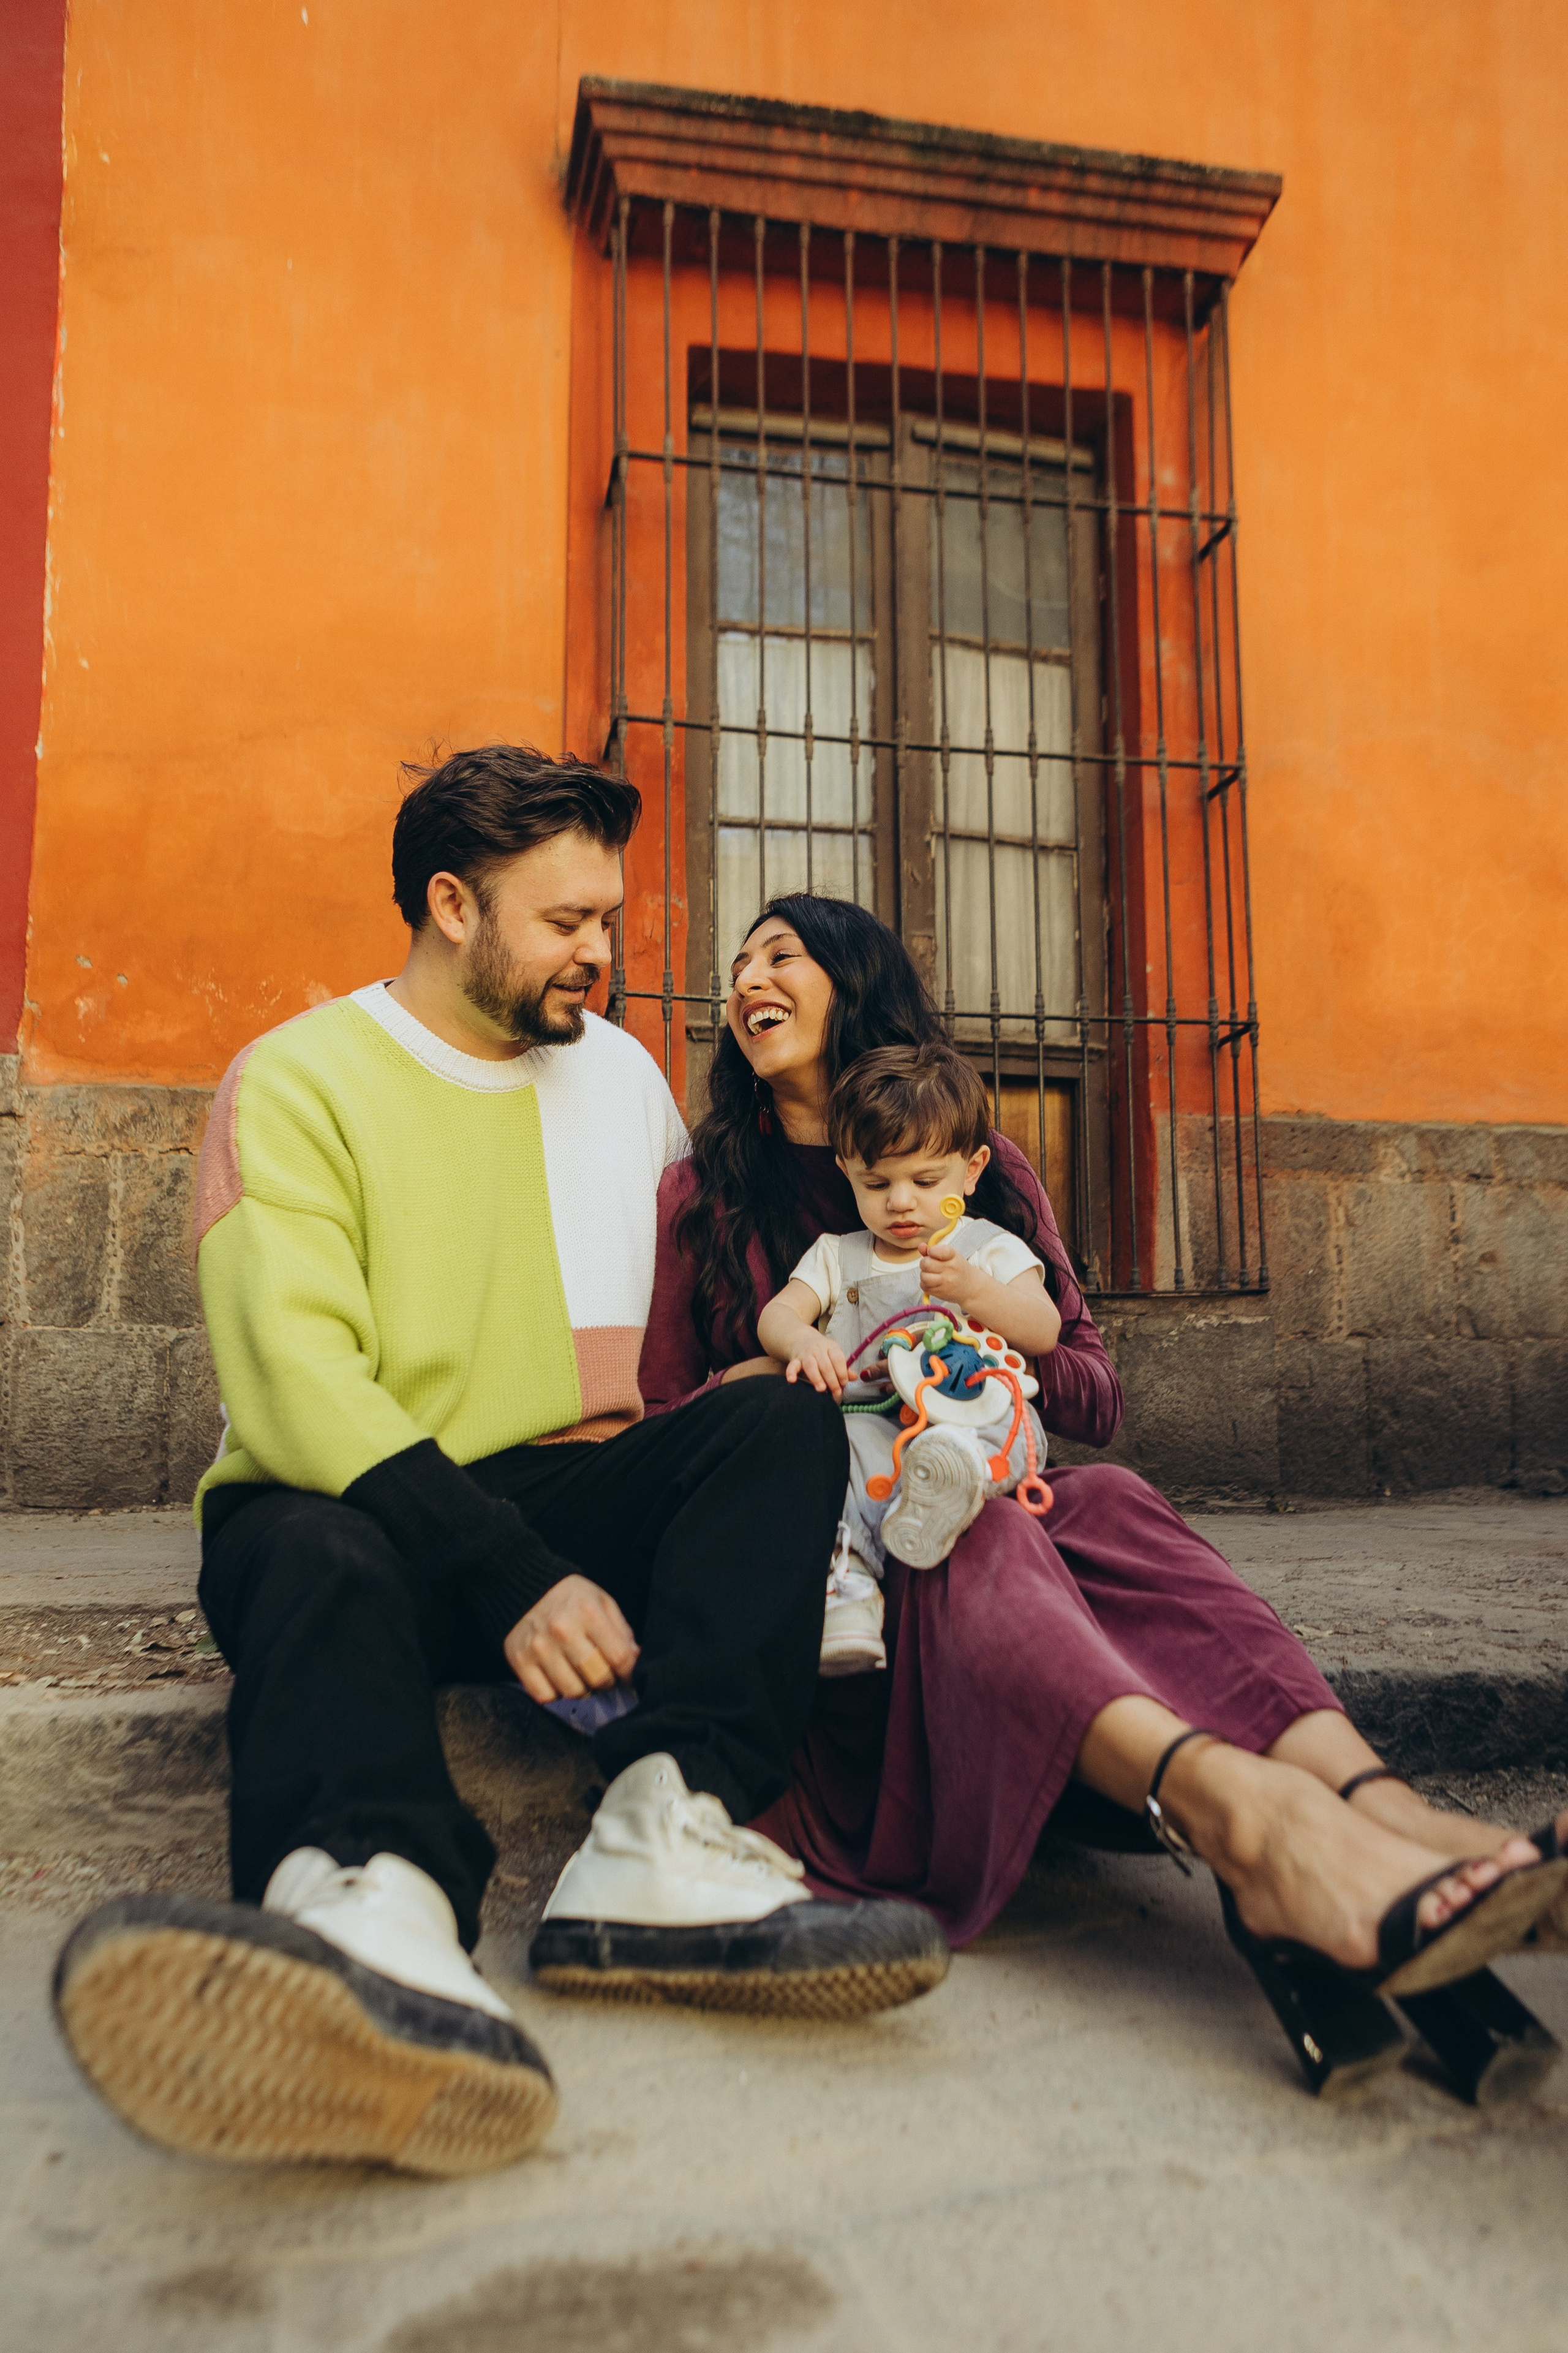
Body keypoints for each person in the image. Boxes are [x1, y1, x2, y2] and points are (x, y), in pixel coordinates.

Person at [51, 753, 948, 2183]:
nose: (598, 950)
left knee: (775, 1421)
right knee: (308, 1546)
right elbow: (296, 1388)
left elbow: (679, 1325)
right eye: (562, 920)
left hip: (569, 1495)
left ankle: (660, 1838)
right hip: (368, 1502)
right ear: (452, 904)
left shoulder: (625, 1076)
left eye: (606, 916)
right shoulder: (293, 1081)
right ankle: (372, 1917)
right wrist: (510, 1571)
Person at [640, 891, 1567, 2092]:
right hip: (840, 1597)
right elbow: (665, 1432)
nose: (747, 979)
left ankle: (1382, 1810)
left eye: (783, 955)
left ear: (856, 982)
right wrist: (786, 1366)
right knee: (968, 1532)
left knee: (1110, 1502)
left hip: (978, 1488)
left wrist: (981, 1318)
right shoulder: (708, 1202)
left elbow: (1088, 1394)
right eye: (738, 964)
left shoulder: (982, 1178)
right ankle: (1257, 1830)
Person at [756, 1043, 1057, 1677]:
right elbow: (775, 1316)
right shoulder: (838, 1255)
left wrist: (977, 1292)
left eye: (924, 1182)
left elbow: (1044, 1330)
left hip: (971, 1412)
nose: (900, 1202)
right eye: (877, 1182)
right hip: (873, 1421)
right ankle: (852, 1590)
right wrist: (807, 1341)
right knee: (835, 1452)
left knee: (1011, 1428)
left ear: (971, 1171)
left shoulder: (986, 1246)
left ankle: (951, 1480)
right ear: (846, 1170)